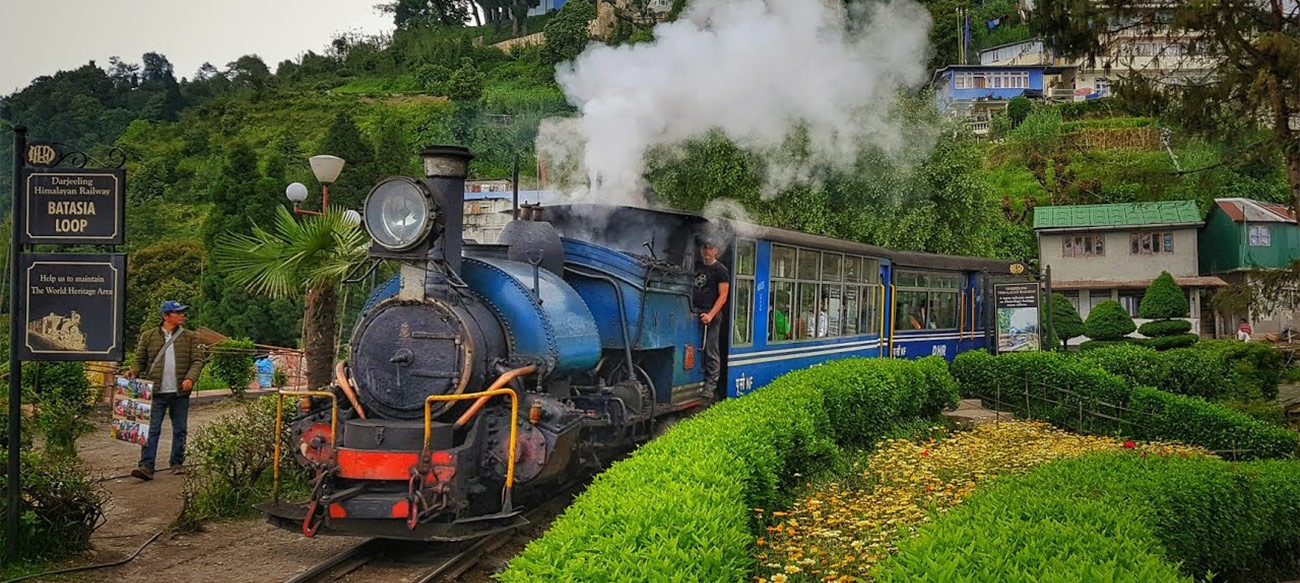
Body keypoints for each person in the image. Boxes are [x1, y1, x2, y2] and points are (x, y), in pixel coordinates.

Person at [126, 300, 205, 480]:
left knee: (180, 429)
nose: (182, 315)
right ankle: (146, 466)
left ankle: (177, 463)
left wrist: (190, 378)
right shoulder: (148, 336)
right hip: (155, 391)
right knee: (152, 429)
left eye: (182, 312)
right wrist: (134, 371)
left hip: (179, 393)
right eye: (178, 313)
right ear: (165, 316)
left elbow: (198, 361)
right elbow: (140, 360)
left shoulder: (190, 337)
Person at [693, 240, 730, 398]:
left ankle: (711, 385)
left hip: (711, 314)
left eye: (710, 248)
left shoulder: (721, 270)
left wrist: (710, 315)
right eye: (704, 248)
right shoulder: (695, 266)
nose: (707, 251)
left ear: (716, 251)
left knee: (710, 349)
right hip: (694, 311)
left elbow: (723, 296)